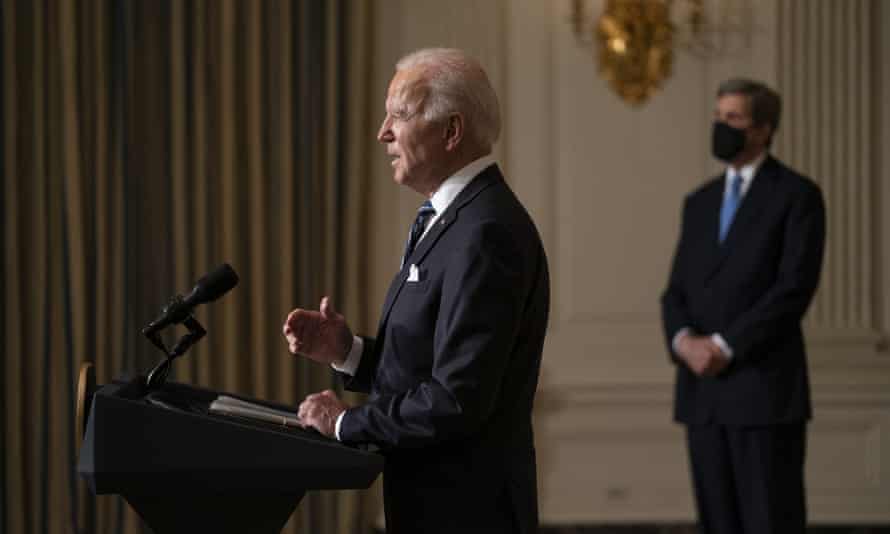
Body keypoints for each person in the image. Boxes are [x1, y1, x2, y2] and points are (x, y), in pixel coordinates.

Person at [283, 48, 549, 534]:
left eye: (399, 114)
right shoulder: (455, 218)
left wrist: (346, 424)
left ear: (451, 131)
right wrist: (348, 351)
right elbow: (431, 364)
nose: (382, 131)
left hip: (468, 512)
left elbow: (457, 398)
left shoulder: (487, 231)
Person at [661, 78, 826, 534]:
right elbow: (675, 291)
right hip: (702, 396)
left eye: (732, 118)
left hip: (764, 394)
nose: (720, 126)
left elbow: (793, 289)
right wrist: (683, 342)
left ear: (762, 129)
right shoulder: (699, 202)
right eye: (718, 117)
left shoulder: (798, 196)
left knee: (770, 521)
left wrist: (723, 346)